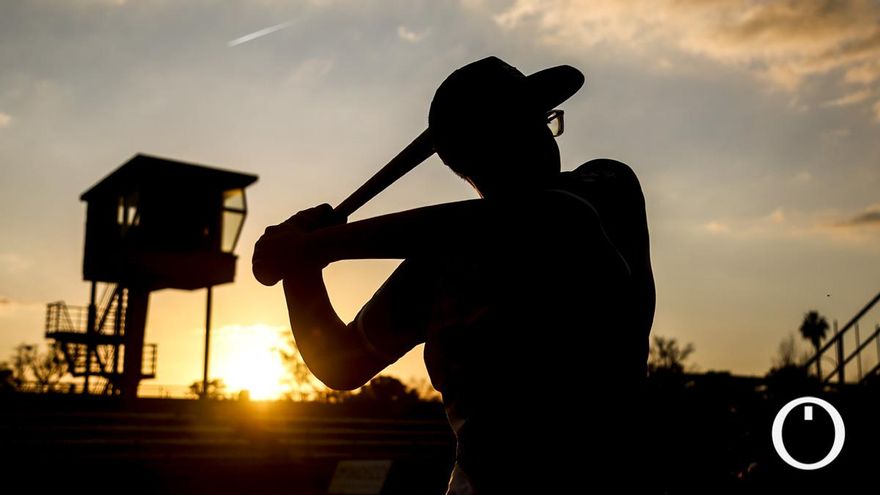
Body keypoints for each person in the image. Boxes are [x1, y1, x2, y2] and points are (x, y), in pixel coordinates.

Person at [253, 56, 656, 493]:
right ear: (480, 152)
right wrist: (300, 271)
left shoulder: (604, 189)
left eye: (542, 121)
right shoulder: (442, 257)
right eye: (531, 123)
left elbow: (534, 220)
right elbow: (340, 362)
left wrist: (312, 247)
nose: (544, 136)